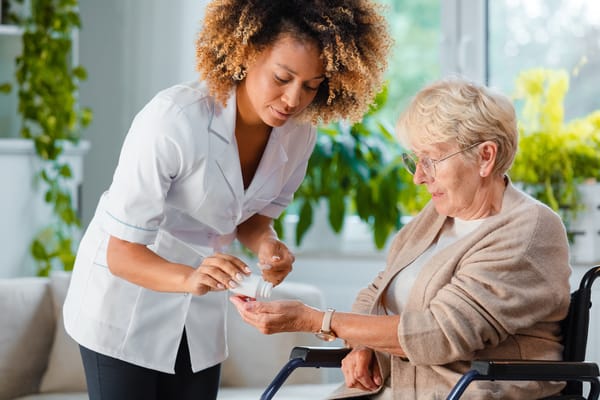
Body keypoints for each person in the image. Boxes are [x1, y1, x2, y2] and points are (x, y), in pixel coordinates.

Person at [62, 1, 392, 399]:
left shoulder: (298, 134)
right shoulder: (173, 119)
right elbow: (122, 253)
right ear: (248, 51)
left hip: (199, 309)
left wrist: (267, 245)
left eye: (311, 85)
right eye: (282, 77)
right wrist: (189, 278)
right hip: (125, 301)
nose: (293, 99)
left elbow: (250, 218)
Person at [230, 78, 573, 399]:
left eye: (432, 160)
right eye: (415, 160)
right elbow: (377, 292)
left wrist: (316, 320)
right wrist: (362, 345)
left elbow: (440, 334)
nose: (419, 178)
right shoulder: (439, 214)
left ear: (485, 156)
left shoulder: (529, 229)